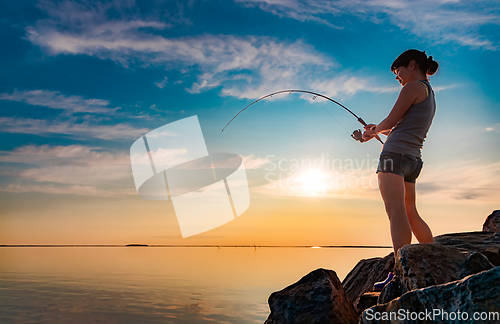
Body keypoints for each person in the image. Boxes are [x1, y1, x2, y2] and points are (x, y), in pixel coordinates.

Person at [362, 49, 438, 291]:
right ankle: (436, 262)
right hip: (413, 159)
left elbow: (392, 121)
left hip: (394, 158)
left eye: (398, 71)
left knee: (396, 213)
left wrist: (374, 130)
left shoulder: (412, 87)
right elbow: (397, 124)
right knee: (410, 211)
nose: (397, 78)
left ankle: (398, 274)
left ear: (412, 65)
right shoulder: (429, 92)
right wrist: (375, 130)